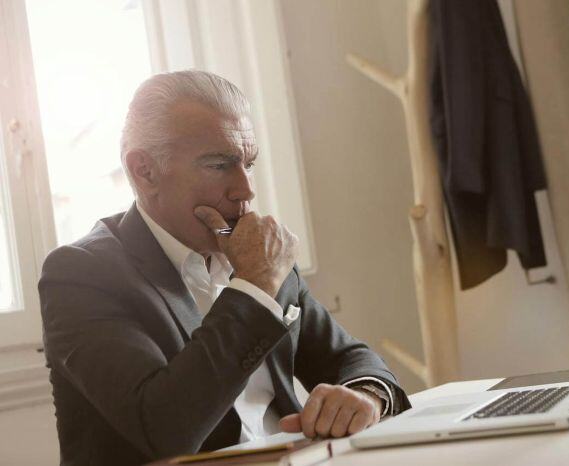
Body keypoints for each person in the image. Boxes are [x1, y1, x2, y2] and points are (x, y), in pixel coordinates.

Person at [39, 70, 410, 466]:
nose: (246, 190)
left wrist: (365, 396)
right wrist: (254, 286)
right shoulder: (80, 275)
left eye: (249, 164)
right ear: (144, 171)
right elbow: (164, 429)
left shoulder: (261, 256)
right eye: (219, 165)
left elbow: (352, 359)